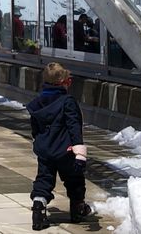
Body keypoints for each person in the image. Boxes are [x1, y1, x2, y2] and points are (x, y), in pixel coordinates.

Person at [28, 63, 92, 230]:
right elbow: (74, 126)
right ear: (64, 82)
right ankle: (78, 208)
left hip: (45, 150)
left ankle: (38, 210)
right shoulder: (67, 102)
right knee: (74, 179)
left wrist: (40, 141)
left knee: (44, 179)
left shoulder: (38, 102)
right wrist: (79, 153)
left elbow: (35, 127)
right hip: (66, 150)